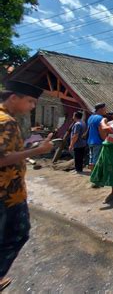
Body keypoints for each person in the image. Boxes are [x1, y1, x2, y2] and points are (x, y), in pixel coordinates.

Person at [0, 81, 54, 291]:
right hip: (8, 193)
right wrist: (37, 151)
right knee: (17, 234)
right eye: (30, 101)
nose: (33, 107)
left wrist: (29, 148)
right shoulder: (7, 121)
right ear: (14, 97)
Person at [87, 103, 107, 171]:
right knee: (97, 159)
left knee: (91, 158)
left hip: (90, 141)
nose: (106, 110)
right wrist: (105, 140)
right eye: (105, 109)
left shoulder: (90, 117)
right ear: (101, 109)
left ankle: (92, 174)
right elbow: (101, 131)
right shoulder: (101, 118)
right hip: (98, 141)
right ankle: (96, 175)